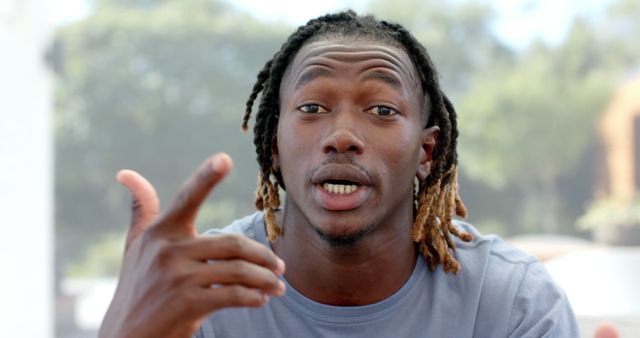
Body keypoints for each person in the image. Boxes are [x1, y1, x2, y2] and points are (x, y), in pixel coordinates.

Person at [100, 11, 581, 338]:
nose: (343, 136)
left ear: (426, 152)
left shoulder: (511, 304)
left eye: (382, 110)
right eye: (312, 107)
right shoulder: (200, 297)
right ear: (274, 149)